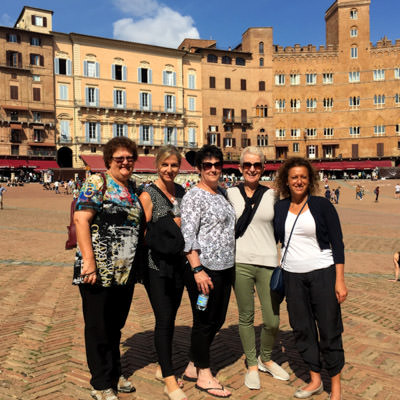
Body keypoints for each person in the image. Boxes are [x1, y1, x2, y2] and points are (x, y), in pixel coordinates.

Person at [73, 137, 144, 400]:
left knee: (115, 326)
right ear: (108, 161)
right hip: (98, 269)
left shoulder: (133, 188)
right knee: (97, 326)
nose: (125, 163)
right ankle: (100, 382)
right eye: (119, 159)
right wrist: (89, 263)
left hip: (123, 272)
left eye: (129, 158)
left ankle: (114, 372)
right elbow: (81, 218)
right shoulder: (96, 183)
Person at [274, 157, 347, 400]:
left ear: (310, 179)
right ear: (287, 180)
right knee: (302, 329)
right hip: (293, 277)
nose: (299, 181)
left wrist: (340, 280)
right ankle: (315, 379)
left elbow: (337, 243)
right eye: (294, 177)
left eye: (303, 177)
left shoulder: (322, 205)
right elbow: (276, 237)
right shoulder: (281, 207)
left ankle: (335, 388)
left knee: (329, 329)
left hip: (322, 274)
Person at [227, 147, 289, 390]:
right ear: (240, 168)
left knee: (273, 319)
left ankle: (266, 357)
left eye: (257, 165)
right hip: (240, 261)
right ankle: (252, 364)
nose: (252, 169)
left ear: (264, 167)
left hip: (268, 263)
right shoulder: (229, 193)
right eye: (247, 165)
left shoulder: (273, 196)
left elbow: (283, 230)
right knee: (246, 316)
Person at [181, 145, 235, 398]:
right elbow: (188, 235)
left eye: (217, 164)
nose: (213, 169)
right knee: (203, 321)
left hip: (225, 268)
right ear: (199, 169)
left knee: (217, 319)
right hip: (204, 272)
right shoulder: (194, 196)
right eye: (207, 165)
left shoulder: (222, 193)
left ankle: (194, 364)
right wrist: (197, 269)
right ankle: (204, 374)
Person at [139, 146, 187, 400]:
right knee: (163, 317)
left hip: (178, 264)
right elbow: (142, 232)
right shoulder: (148, 194)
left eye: (174, 165)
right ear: (157, 165)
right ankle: (169, 380)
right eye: (165, 165)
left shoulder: (180, 191)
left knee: (171, 318)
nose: (170, 170)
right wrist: (166, 231)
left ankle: (162, 365)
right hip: (156, 266)